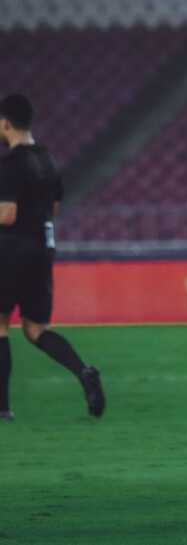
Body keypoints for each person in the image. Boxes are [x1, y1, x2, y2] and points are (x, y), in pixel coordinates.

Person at [0, 93, 105, 420]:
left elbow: (6, 214)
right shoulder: (47, 159)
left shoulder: (10, 164)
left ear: (6, 123)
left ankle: (2, 408)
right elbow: (55, 207)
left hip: (11, 249)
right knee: (35, 328)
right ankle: (84, 371)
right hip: (42, 248)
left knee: (1, 325)